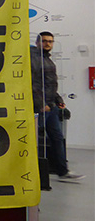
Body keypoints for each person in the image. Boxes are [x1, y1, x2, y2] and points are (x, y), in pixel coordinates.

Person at [31, 31, 84, 182]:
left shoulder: (47, 60)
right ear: (37, 42)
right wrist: (41, 104)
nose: (48, 43)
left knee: (57, 138)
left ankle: (62, 171)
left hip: (51, 107)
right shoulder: (34, 60)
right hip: (40, 109)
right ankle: (35, 173)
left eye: (50, 41)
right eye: (45, 41)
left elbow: (50, 85)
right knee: (36, 141)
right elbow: (33, 84)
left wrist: (58, 99)